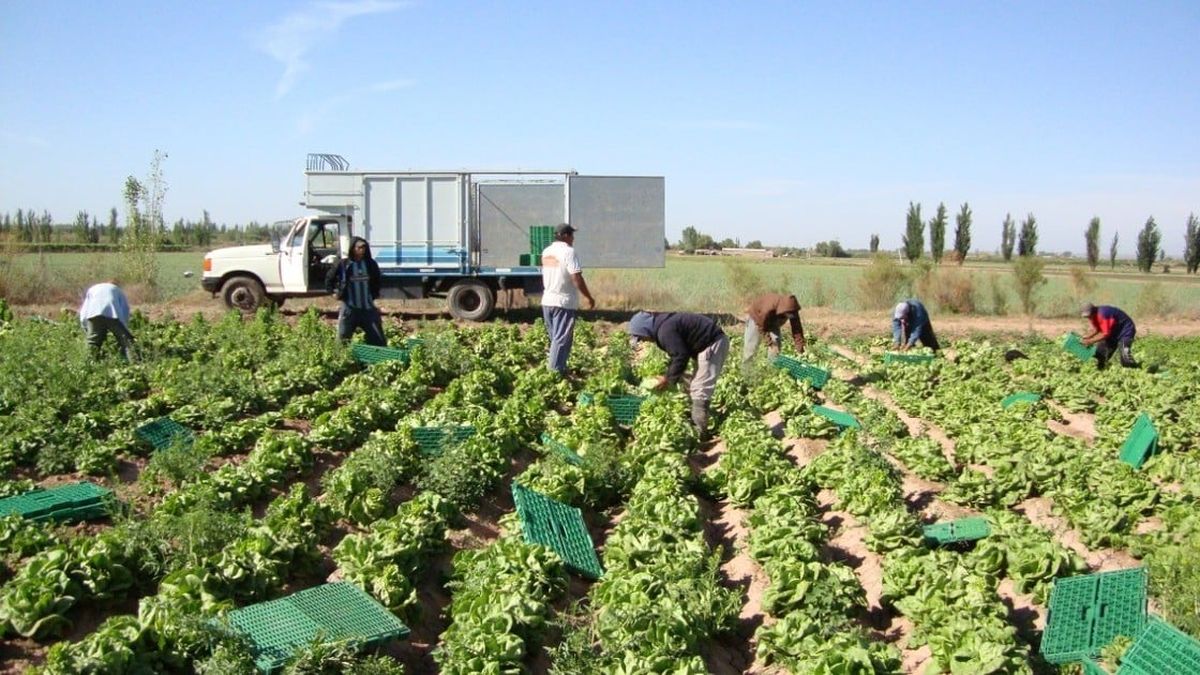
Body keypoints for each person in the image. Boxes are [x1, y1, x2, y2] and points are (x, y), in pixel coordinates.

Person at [628, 310, 729, 440]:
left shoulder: (665, 331)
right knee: (691, 383)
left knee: (700, 389)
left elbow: (681, 355)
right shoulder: (664, 326)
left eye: (641, 337)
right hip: (705, 345)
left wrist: (668, 379)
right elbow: (677, 354)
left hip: (712, 344)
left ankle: (700, 433)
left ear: (646, 330)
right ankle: (693, 418)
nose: (643, 340)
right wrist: (669, 376)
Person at [540, 223, 595, 375]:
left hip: (547, 301)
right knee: (561, 340)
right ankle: (554, 373)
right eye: (571, 235)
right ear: (564, 236)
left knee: (556, 340)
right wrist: (588, 297)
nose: (573, 238)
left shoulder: (547, 252)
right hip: (563, 302)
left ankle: (561, 369)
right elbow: (576, 276)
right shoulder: (569, 252)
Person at [325, 236, 386, 346]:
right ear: (353, 248)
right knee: (343, 339)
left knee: (378, 339)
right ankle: (341, 360)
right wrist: (333, 292)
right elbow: (329, 279)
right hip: (349, 308)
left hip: (368, 308)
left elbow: (377, 280)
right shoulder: (343, 264)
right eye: (359, 247)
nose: (362, 250)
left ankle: (377, 360)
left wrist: (375, 295)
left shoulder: (370, 264)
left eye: (364, 247)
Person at [742, 292, 806, 368]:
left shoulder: (792, 309)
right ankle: (746, 373)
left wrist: (800, 349)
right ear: (784, 310)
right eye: (789, 314)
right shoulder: (768, 308)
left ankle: (771, 370)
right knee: (751, 347)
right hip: (757, 318)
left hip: (773, 319)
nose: (790, 316)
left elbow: (797, 329)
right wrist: (770, 343)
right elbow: (761, 327)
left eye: (792, 314)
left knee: (776, 345)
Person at [79, 281, 135, 361]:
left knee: (92, 342)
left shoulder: (93, 288)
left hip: (93, 314)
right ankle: (135, 364)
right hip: (112, 314)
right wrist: (125, 328)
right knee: (127, 342)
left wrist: (85, 326)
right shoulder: (117, 290)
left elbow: (84, 310)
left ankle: (87, 366)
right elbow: (125, 309)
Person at [1080, 303, 1138, 369]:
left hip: (1125, 331)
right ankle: (1101, 372)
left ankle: (1138, 370)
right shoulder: (1093, 316)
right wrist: (1087, 336)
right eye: (1087, 317)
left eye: (1089, 315)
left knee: (1125, 360)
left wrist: (1091, 341)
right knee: (1100, 355)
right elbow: (1097, 329)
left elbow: (1105, 334)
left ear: (1094, 311)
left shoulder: (1103, 314)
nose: (1089, 318)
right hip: (1113, 333)